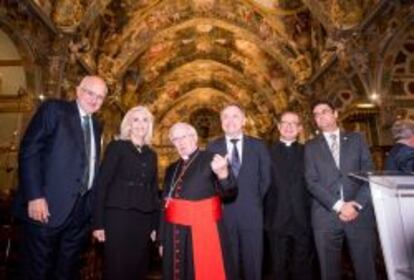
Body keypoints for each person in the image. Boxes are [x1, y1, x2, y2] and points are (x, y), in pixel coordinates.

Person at [13, 75, 107, 279]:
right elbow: (30, 151)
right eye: (90, 93)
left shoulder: (97, 126)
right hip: (46, 207)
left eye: (100, 97)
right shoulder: (55, 110)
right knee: (36, 271)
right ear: (78, 90)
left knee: (66, 272)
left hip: (80, 214)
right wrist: (34, 196)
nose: (94, 100)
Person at [305, 100, 377, 280]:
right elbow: (311, 182)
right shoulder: (310, 147)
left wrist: (357, 205)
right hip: (326, 217)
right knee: (329, 273)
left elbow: (369, 174)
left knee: (366, 270)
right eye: (316, 114)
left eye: (324, 111)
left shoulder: (357, 139)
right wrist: (339, 206)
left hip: (359, 215)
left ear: (335, 114)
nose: (320, 116)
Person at [159, 122, 237, 280]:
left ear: (194, 137)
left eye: (184, 137)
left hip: (203, 231)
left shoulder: (212, 159)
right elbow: (164, 205)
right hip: (173, 232)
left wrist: (223, 174)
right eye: (175, 139)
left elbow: (230, 194)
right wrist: (162, 239)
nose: (180, 142)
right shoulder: (171, 168)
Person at [92, 106, 159, 280]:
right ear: (128, 124)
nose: (140, 124)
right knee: (117, 268)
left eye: (145, 120)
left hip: (144, 219)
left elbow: (153, 191)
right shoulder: (117, 147)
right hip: (118, 216)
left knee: (138, 268)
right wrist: (98, 223)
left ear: (149, 125)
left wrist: (154, 225)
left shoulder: (152, 154)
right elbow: (102, 184)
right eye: (135, 119)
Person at [207, 104, 271, 280]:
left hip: (252, 214)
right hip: (224, 214)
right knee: (228, 264)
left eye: (235, 116)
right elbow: (209, 182)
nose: (230, 121)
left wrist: (254, 202)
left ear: (244, 120)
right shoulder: (212, 147)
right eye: (225, 117)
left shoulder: (258, 146)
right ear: (221, 123)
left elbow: (265, 179)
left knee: (253, 264)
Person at [265, 111, 316, 280]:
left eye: (293, 123)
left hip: (303, 219)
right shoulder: (265, 153)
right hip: (276, 220)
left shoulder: (309, 152)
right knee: (278, 269)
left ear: (300, 128)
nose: (289, 127)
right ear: (279, 127)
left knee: (304, 269)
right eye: (285, 123)